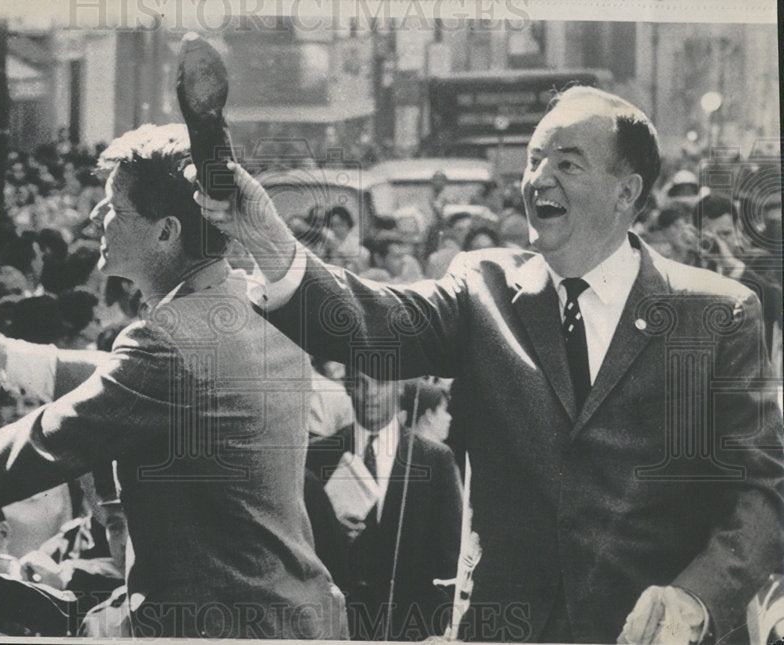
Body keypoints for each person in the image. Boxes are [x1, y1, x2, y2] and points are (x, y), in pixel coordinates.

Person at [194, 86, 784, 643]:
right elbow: (370, 322)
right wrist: (265, 237)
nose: (539, 179)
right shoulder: (484, 289)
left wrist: (696, 599)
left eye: (567, 163)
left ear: (626, 192)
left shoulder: (715, 313)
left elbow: (763, 492)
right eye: (534, 160)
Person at [0, 123, 346, 639]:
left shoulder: (171, 343)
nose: (96, 216)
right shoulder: (253, 306)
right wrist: (1, 352)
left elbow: (42, 443)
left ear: (166, 231)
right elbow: (126, 379)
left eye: (116, 207)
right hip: (291, 614)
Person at [306, 369, 461, 640]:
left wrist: (437, 627)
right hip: (339, 627)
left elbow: (449, 555)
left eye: (381, 383)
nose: (371, 393)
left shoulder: (435, 460)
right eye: (360, 383)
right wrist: (331, 533)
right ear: (348, 388)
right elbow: (303, 547)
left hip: (410, 627)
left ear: (400, 388)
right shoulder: (319, 456)